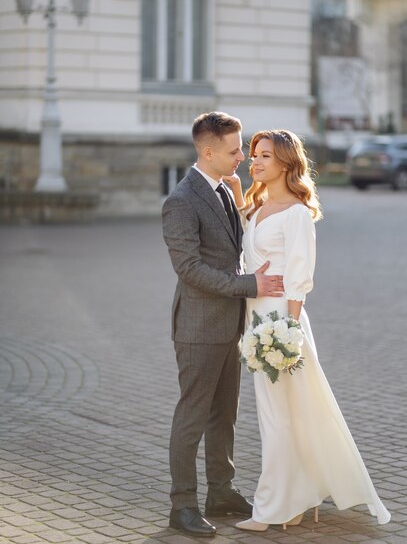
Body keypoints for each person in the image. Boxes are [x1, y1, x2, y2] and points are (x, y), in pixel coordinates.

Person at [223, 129, 391, 531]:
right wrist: (233, 186)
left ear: (285, 163)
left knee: (280, 416)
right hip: (255, 315)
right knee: (284, 415)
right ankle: (296, 499)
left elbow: (300, 277)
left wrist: (287, 333)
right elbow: (247, 250)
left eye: (265, 156)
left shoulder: (297, 213)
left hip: (280, 322)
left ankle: (272, 509)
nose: (255, 162)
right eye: (253, 155)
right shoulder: (256, 206)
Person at [161, 112, 285, 537]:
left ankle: (222, 491)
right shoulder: (180, 201)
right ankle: (182, 507)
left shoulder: (223, 189)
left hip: (229, 324)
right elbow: (190, 269)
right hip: (198, 327)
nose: (241, 157)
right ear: (208, 151)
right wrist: (251, 284)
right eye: (234, 151)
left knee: (223, 415)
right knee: (192, 416)